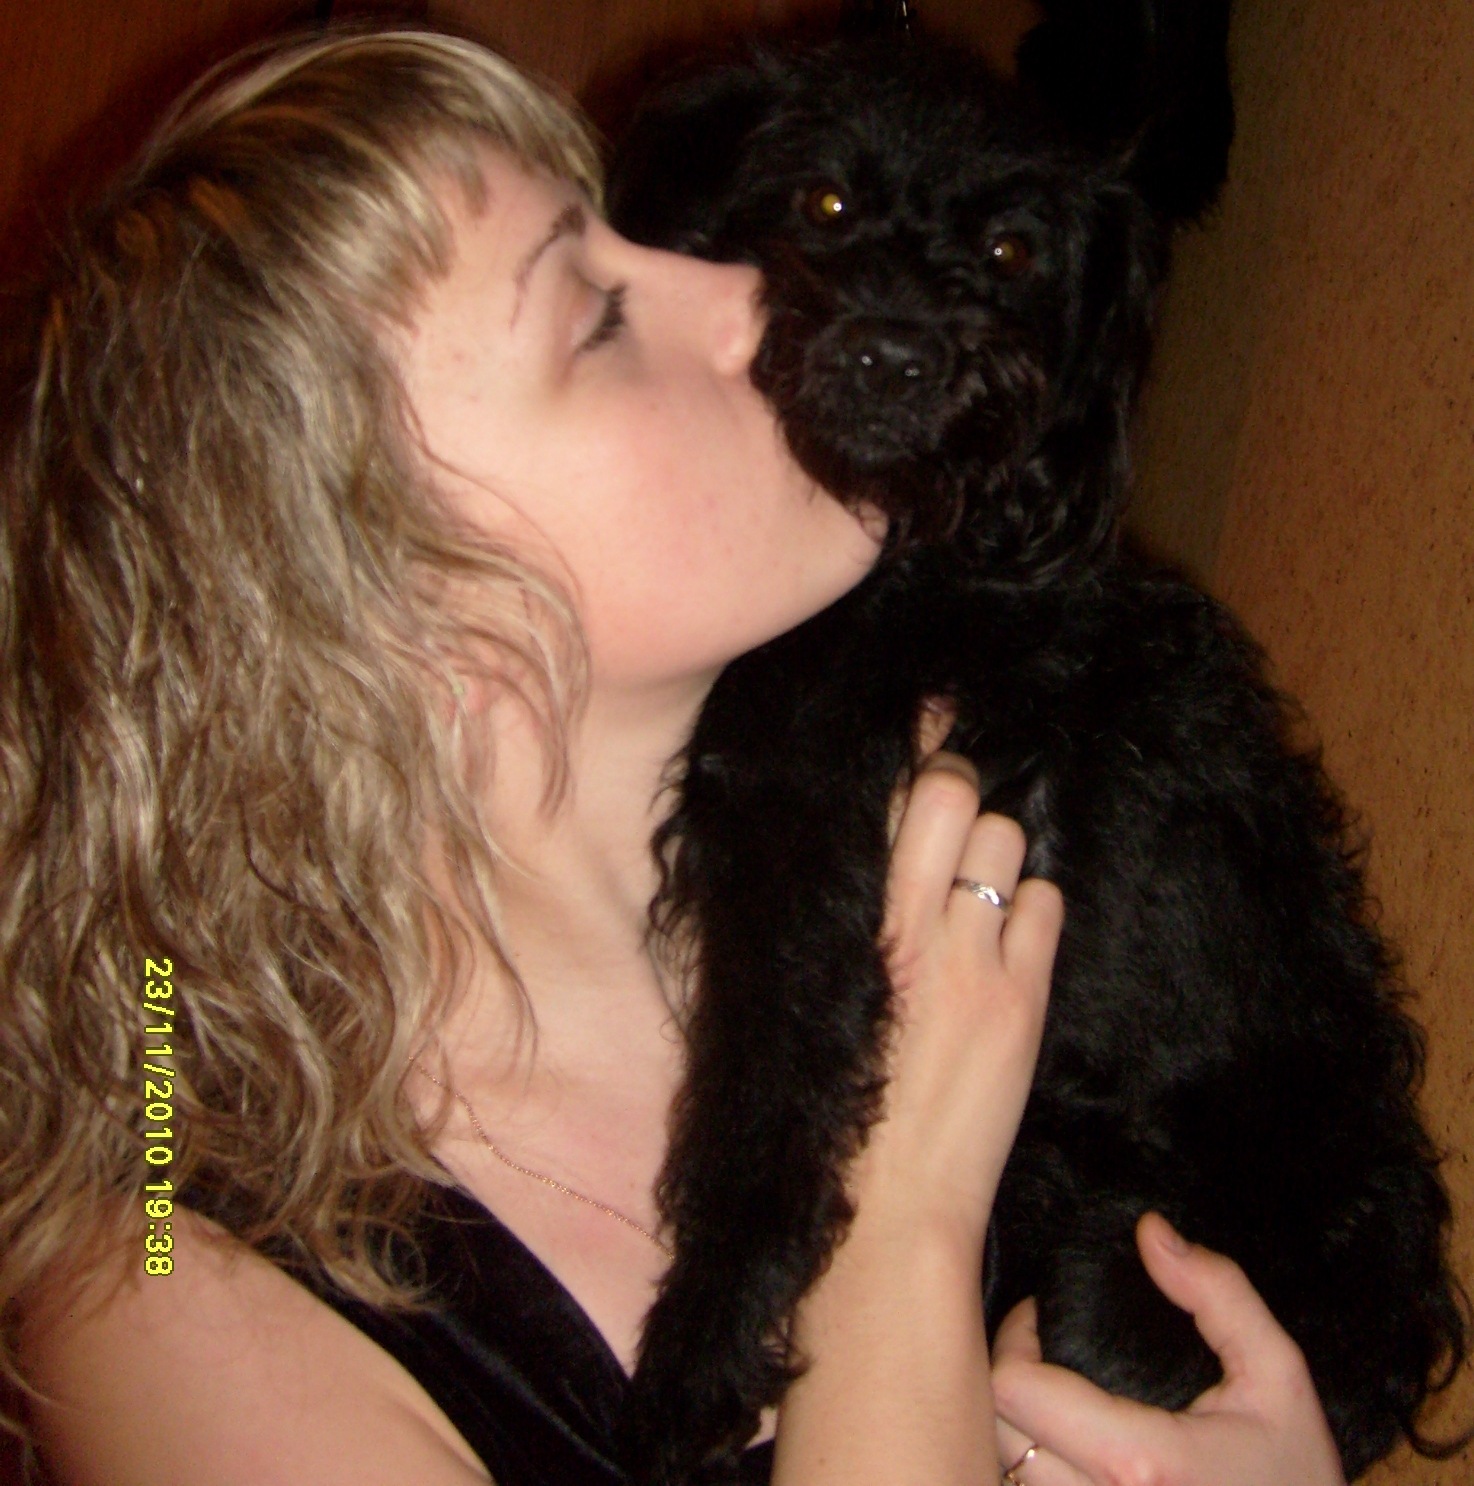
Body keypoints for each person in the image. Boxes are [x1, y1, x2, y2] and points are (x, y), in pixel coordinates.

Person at [0, 29, 1347, 1486]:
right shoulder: (153, 1280)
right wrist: (894, 1220)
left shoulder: (981, 830)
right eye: (596, 317)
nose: (751, 287)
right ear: (377, 599)